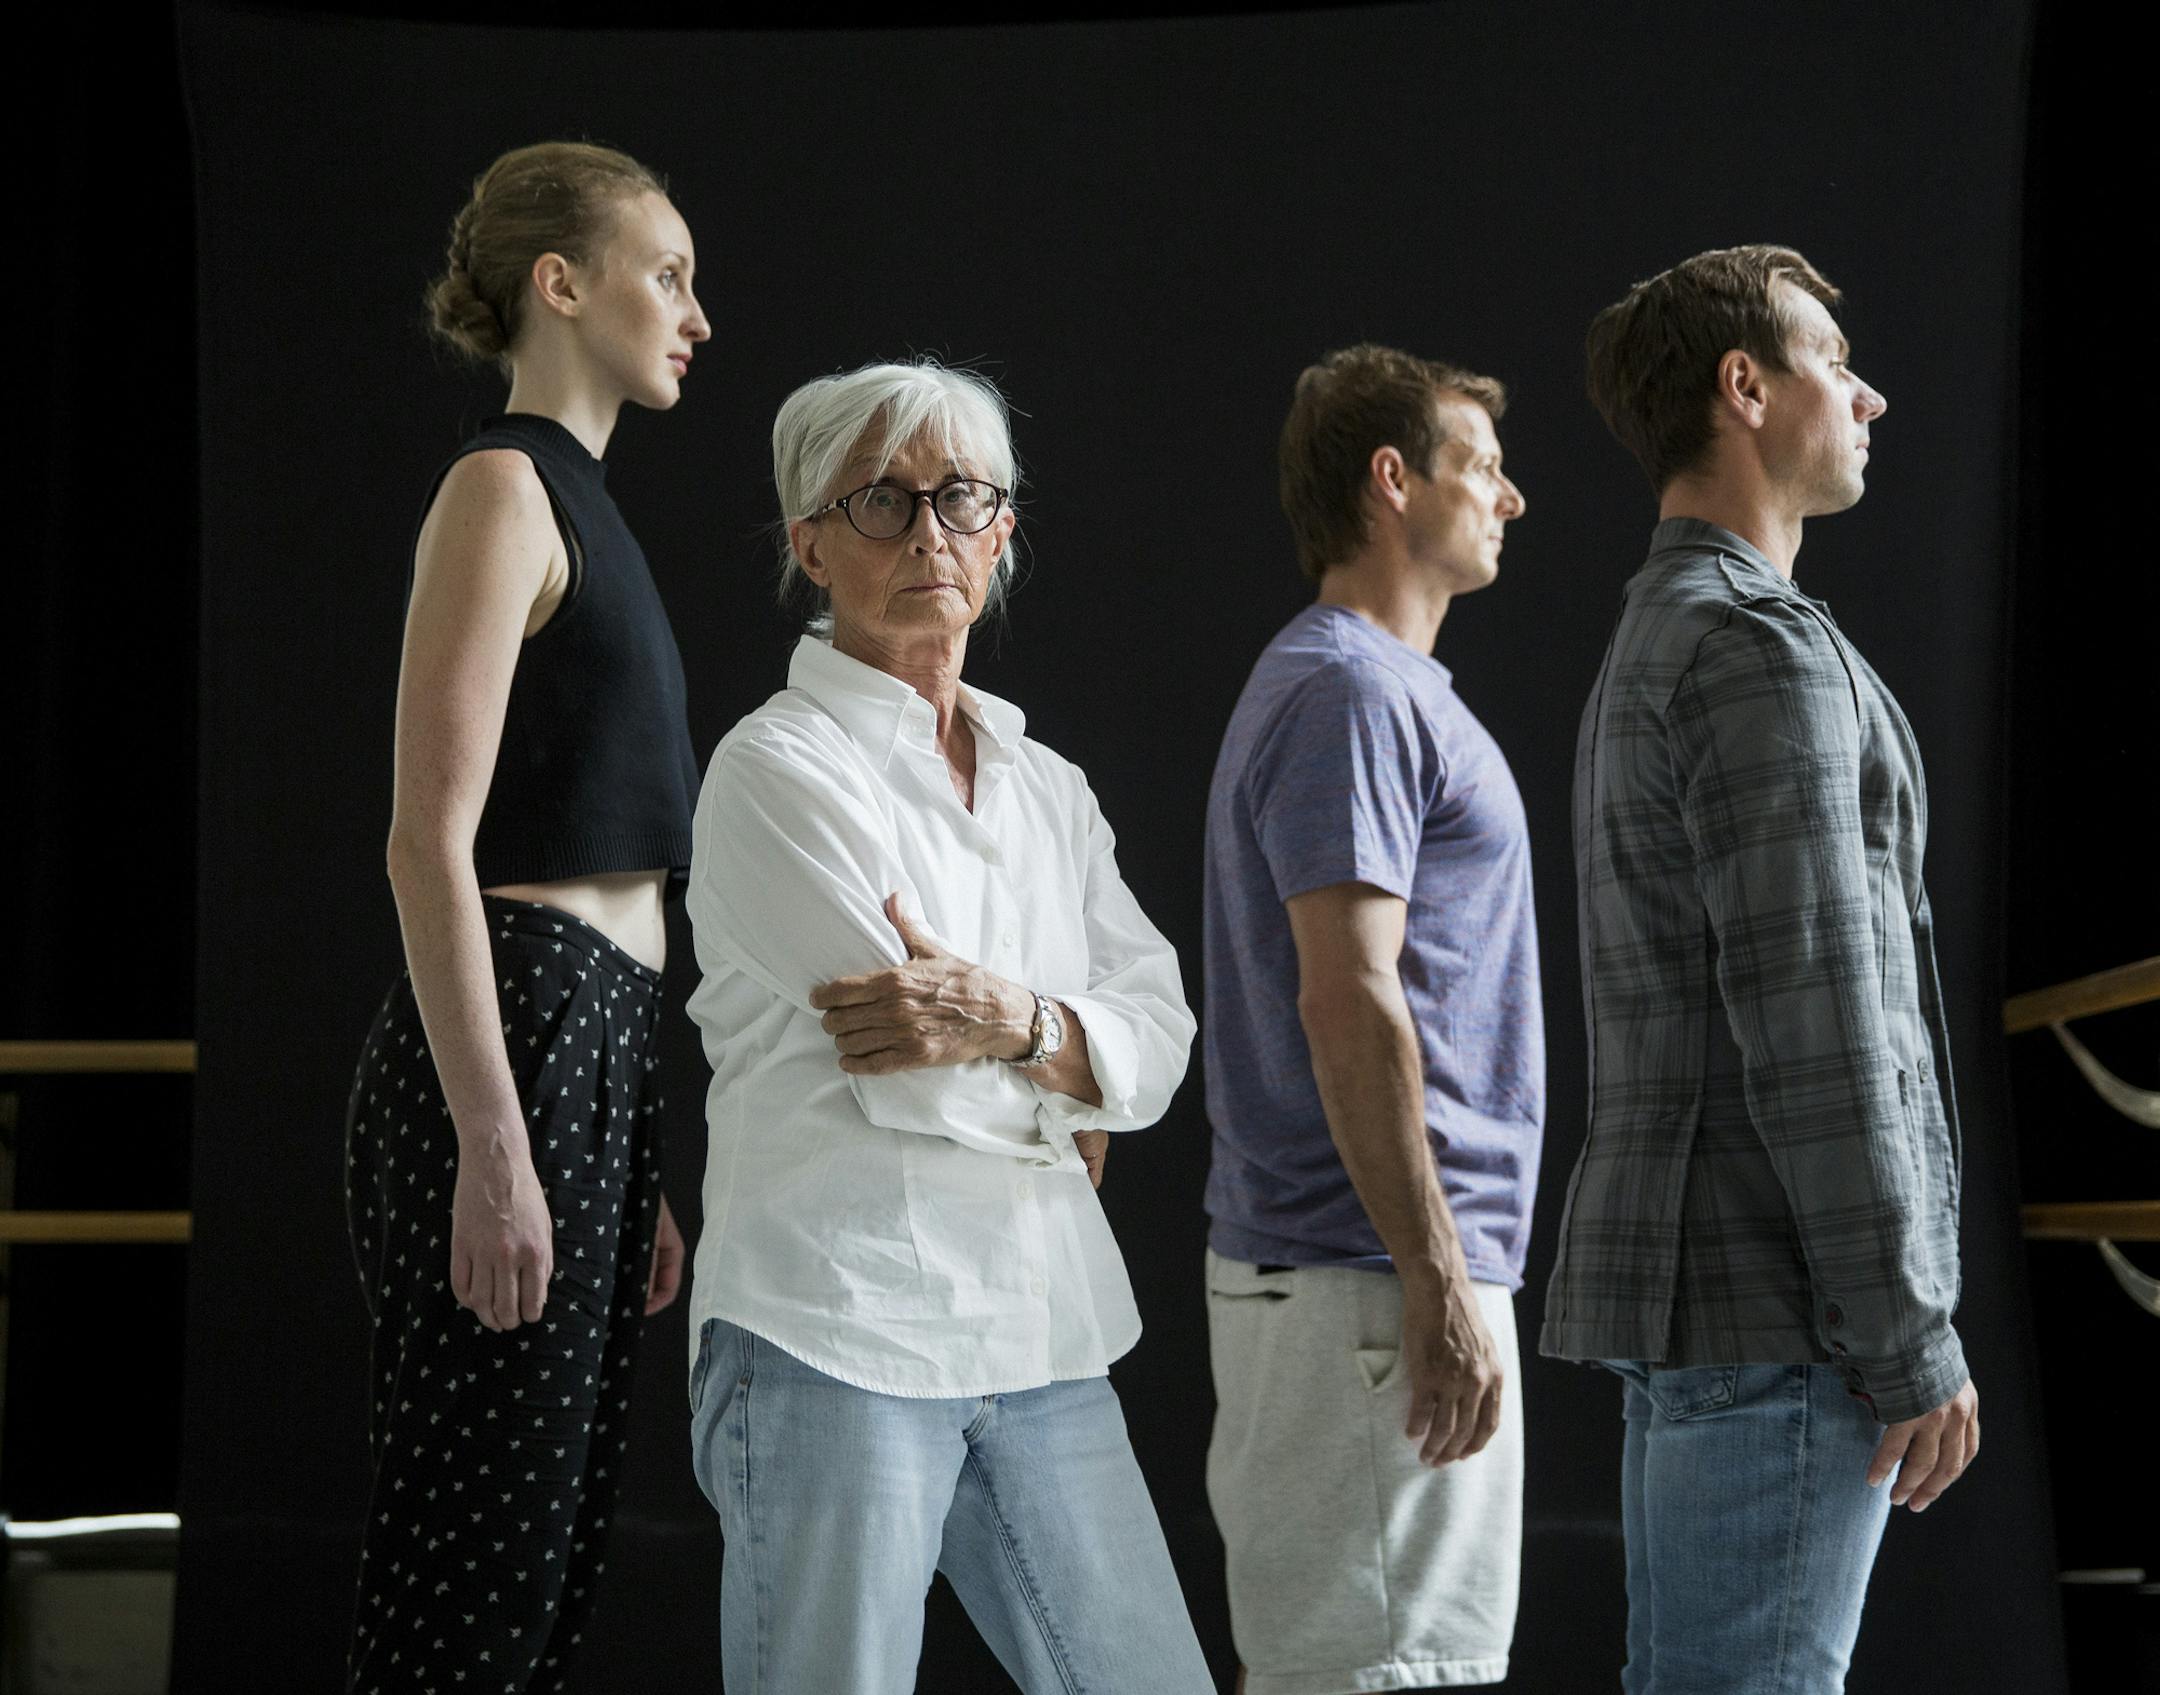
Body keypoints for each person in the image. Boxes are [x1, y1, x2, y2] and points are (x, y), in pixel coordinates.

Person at [681, 358, 1213, 1693]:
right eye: (882, 500)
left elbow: (1161, 1035)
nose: (930, 532)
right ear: (808, 542)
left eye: (964, 498)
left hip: (1041, 1329)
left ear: (1004, 532)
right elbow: (904, 1081)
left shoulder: (1049, 786)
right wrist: (1072, 1090)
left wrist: (1012, 1021)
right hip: (831, 1329)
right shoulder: (776, 767)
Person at [1539, 244, 1980, 1695]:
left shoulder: (1668, 629)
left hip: (1721, 1313)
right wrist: (1907, 1332)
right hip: (1784, 1319)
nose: (1870, 395)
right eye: (1831, 364)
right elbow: (1819, 1024)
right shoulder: (1750, 647)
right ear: (1745, 387)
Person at [342, 140, 710, 1693]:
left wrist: (634, 1155)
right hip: (521, 1030)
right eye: (669, 275)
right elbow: (428, 843)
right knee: (473, 1584)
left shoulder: (588, 507)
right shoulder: (500, 489)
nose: (697, 314)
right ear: (560, 285)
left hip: (595, 1052)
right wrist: (501, 1141)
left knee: (541, 1577)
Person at [1201, 343, 1539, 1693]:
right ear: (1392, 481)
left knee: (1406, 1665)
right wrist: (1434, 1279)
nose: (1511, 499)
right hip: (1368, 1280)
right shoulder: (1348, 690)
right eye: (1483, 466)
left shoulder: (1383, 689)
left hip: (1386, 1276)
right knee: (1384, 1673)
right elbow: (1348, 994)